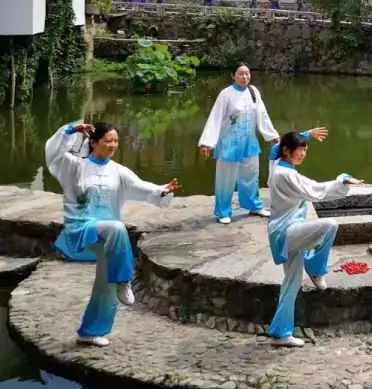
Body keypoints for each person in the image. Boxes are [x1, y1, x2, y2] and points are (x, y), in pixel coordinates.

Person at [44, 121, 180, 346]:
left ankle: (90, 331)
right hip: (80, 229)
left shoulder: (118, 171)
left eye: (116, 141)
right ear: (94, 143)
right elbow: (52, 153)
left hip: (107, 238)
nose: (113, 145)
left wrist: (163, 190)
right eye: (108, 141)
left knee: (105, 284)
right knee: (117, 227)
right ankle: (125, 280)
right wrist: (70, 129)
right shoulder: (74, 167)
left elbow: (142, 188)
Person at [266, 130, 359, 347]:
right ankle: (316, 268)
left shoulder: (276, 165)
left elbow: (273, 149)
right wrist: (342, 180)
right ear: (286, 151)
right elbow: (315, 191)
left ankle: (281, 333)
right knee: (329, 225)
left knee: (292, 283)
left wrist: (306, 134)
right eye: (299, 149)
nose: (302, 154)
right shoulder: (285, 175)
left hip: (288, 231)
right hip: (287, 232)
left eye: (305, 150)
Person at [198, 64, 279, 224]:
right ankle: (223, 212)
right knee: (225, 179)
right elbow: (215, 117)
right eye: (241, 74)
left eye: (247, 74)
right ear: (233, 75)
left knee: (251, 175)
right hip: (229, 143)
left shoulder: (253, 91)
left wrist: (271, 135)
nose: (245, 77)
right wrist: (207, 143)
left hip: (249, 142)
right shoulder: (226, 94)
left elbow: (262, 114)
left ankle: (254, 206)